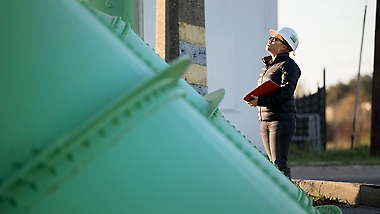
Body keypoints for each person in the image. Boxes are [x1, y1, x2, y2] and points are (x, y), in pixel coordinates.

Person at [246, 27, 301, 179]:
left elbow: (286, 92)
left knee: (279, 164)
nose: (270, 40)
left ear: (284, 46)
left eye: (275, 39)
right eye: (271, 38)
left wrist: (261, 101)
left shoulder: (289, 65)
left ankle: (288, 199)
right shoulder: (267, 66)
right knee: (272, 165)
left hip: (281, 120)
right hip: (266, 120)